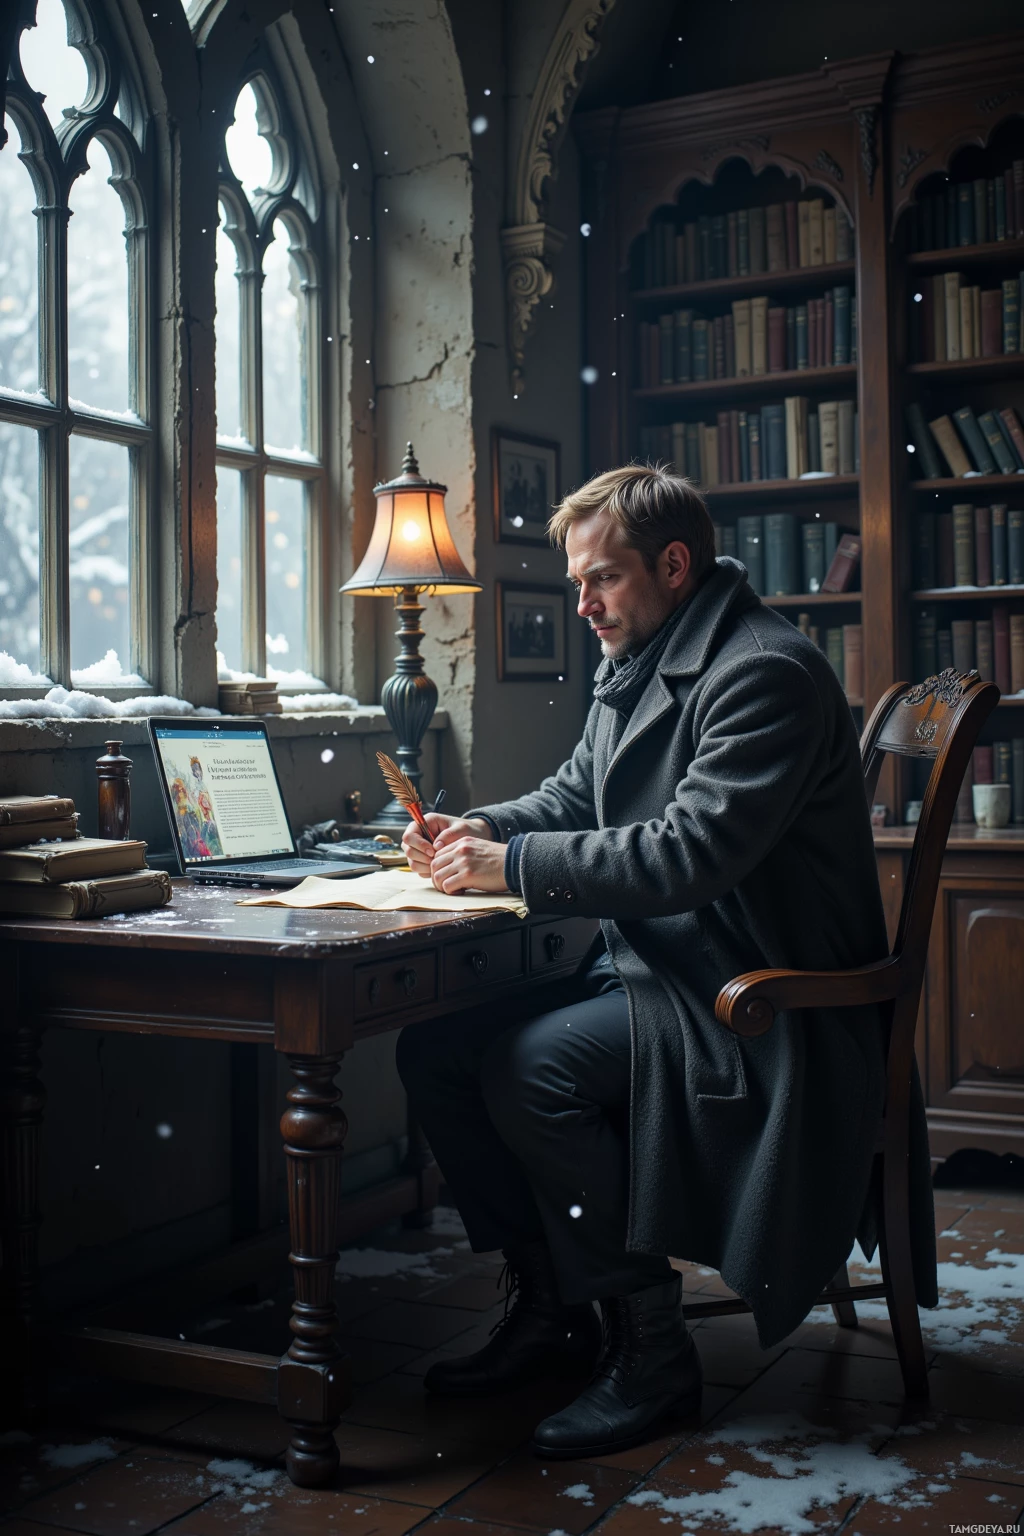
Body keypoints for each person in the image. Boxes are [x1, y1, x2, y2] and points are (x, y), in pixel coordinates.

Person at [396, 464, 937, 1461]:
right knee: (434, 1050)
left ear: (674, 565)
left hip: (764, 1001)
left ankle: (650, 1350)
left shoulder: (762, 671)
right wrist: (480, 825)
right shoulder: (648, 652)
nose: (583, 604)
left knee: (531, 1069)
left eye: (599, 580)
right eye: (575, 584)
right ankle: (556, 1309)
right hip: (671, 972)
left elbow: (688, 854)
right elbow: (574, 796)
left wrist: (507, 864)